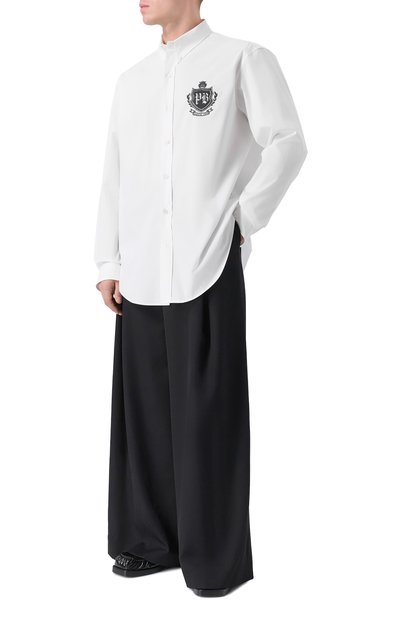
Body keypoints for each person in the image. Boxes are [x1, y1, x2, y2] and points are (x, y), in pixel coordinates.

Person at [93, 0, 307, 598]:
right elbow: (114, 173)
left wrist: (242, 219)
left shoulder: (242, 59)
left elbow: (288, 142)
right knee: (144, 416)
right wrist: (108, 261)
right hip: (140, 272)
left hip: (206, 264)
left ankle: (214, 559)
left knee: (209, 416)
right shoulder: (130, 82)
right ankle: (151, 543)